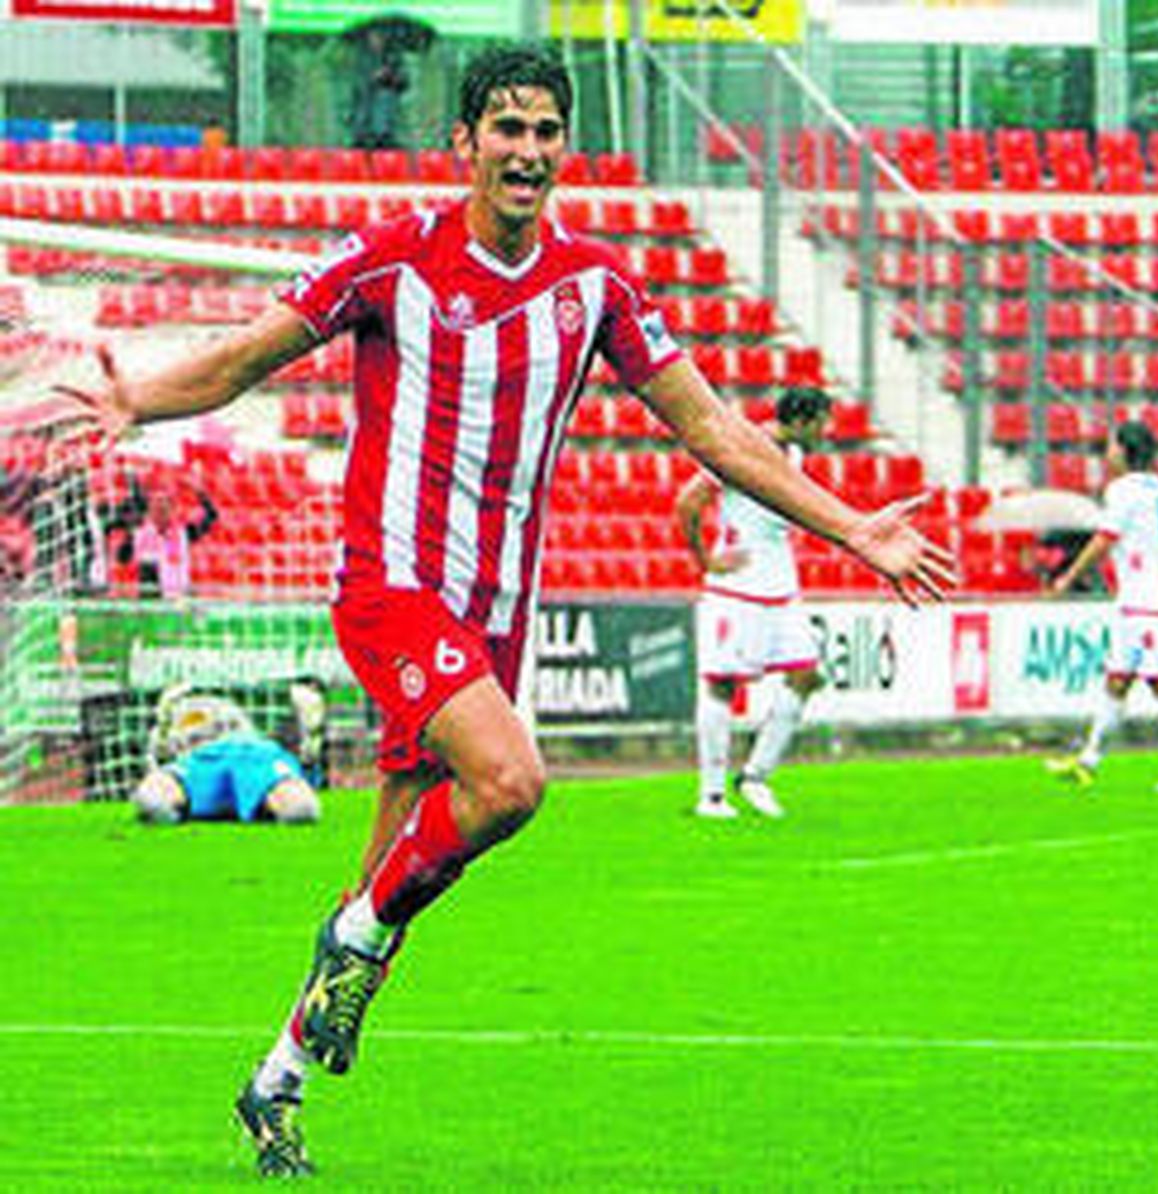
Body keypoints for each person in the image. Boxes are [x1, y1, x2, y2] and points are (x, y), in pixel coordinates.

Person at [58, 45, 952, 1178]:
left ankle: (274, 1083)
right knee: (511, 784)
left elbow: (715, 432)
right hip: (390, 586)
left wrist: (855, 527)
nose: (526, 151)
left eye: (544, 131)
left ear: (563, 149)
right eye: (507, 129)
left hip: (493, 610)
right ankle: (352, 944)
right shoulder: (389, 265)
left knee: (400, 878)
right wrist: (137, 396)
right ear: (465, 144)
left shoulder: (596, 288)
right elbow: (247, 358)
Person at [677, 386, 831, 819]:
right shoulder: (741, 448)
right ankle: (710, 795)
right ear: (802, 419)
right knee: (722, 684)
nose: (826, 430)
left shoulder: (796, 456)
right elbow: (688, 502)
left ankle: (755, 777)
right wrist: (706, 558)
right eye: (822, 420)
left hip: (781, 587)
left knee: (805, 675)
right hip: (737, 588)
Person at [1043, 422, 1158, 793]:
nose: (1107, 454)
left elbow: (1104, 540)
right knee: (1117, 680)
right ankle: (1089, 760)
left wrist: (1067, 579)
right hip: (1149, 603)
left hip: (1144, 605)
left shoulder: (1122, 491)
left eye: (1110, 446)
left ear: (1122, 451)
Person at [131, 683, 323, 826]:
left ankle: (308, 746)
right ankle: (307, 747)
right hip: (204, 759)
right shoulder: (192, 742)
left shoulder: (258, 745)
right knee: (151, 801)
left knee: (299, 810)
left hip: (254, 754)